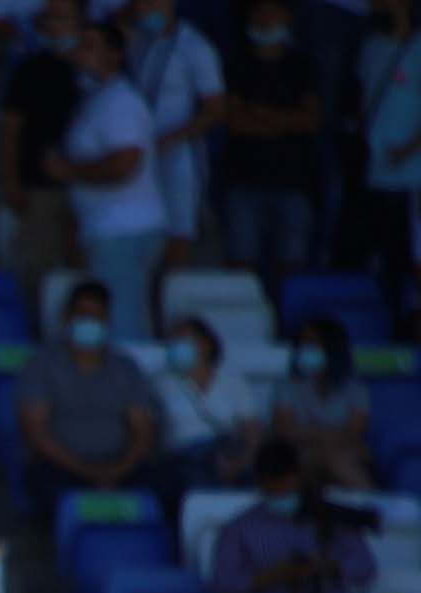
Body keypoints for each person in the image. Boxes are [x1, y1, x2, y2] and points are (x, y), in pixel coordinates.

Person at [211, 438, 388, 593]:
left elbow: (365, 568)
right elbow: (224, 584)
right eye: (276, 488)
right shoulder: (240, 528)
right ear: (262, 484)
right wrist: (275, 575)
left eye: (288, 486)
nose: (283, 494)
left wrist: (330, 567)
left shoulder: (331, 517)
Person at [44, 24, 167, 341]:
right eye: (80, 46)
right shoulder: (96, 98)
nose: (78, 53)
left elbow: (126, 163)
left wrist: (68, 171)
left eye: (89, 46)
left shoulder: (121, 102)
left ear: (114, 54)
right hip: (106, 230)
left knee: (124, 325)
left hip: (124, 231)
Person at [15, 278, 160, 515]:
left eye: (97, 315)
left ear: (107, 321)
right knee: (45, 485)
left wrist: (116, 471)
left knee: (163, 484)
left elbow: (143, 430)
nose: (90, 321)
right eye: (83, 314)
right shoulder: (41, 366)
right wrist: (89, 472)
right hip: (62, 467)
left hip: (120, 466)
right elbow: (36, 433)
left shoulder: (126, 368)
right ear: (67, 318)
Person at [222, 0, 320, 281]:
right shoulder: (236, 62)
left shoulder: (303, 64)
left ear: (287, 16)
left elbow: (311, 120)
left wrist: (262, 116)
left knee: (292, 268)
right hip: (243, 179)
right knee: (241, 266)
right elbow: (235, 122)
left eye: (273, 10)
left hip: (293, 180)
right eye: (258, 10)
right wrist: (286, 121)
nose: (265, 18)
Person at [125, 0, 225, 272]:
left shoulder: (195, 46)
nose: (144, 7)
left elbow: (215, 108)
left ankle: (172, 293)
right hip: (140, 152)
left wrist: (171, 139)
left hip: (179, 155)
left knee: (178, 228)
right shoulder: (138, 43)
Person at [0, 0, 82, 307]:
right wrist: (12, 182)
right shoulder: (30, 70)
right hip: (40, 187)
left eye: (62, 18)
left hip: (95, 189)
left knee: (81, 269)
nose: (54, 26)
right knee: (38, 270)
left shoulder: (95, 70)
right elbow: (10, 131)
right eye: (49, 19)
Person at [150, 314, 262, 508]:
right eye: (173, 340)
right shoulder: (161, 382)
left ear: (206, 344)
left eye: (184, 339)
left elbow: (252, 432)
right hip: (183, 457)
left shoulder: (233, 381)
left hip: (228, 451)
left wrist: (241, 463)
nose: (177, 345)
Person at [355, 0, 421, 321]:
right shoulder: (371, 47)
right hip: (376, 167)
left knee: (411, 248)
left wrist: (409, 148)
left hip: (413, 173)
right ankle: (391, 315)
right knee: (384, 249)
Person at [272, 316, 374, 489]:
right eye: (303, 343)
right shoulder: (287, 386)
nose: (306, 349)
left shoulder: (355, 388)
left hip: (345, 454)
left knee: (337, 458)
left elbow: (354, 432)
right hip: (301, 456)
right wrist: (330, 434)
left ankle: (370, 500)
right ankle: (374, 501)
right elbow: (286, 432)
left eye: (312, 343)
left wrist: (311, 432)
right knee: (320, 457)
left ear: (331, 348)